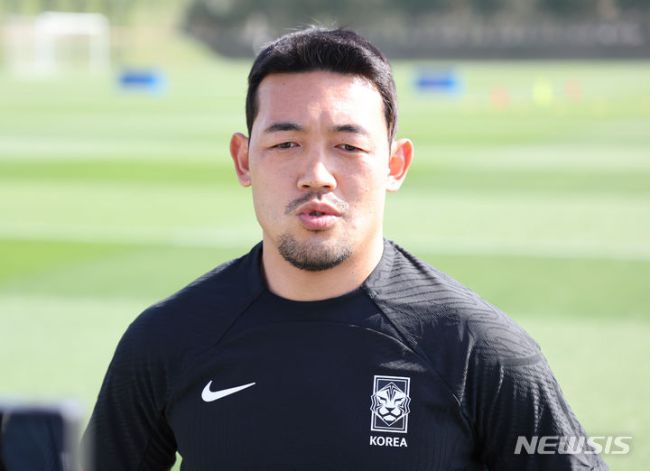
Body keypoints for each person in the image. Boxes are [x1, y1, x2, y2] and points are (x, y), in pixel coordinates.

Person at [82, 27, 608, 470]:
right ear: (243, 160)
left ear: (395, 165)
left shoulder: (480, 350)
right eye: (286, 144)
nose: (317, 175)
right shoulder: (166, 340)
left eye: (348, 146)